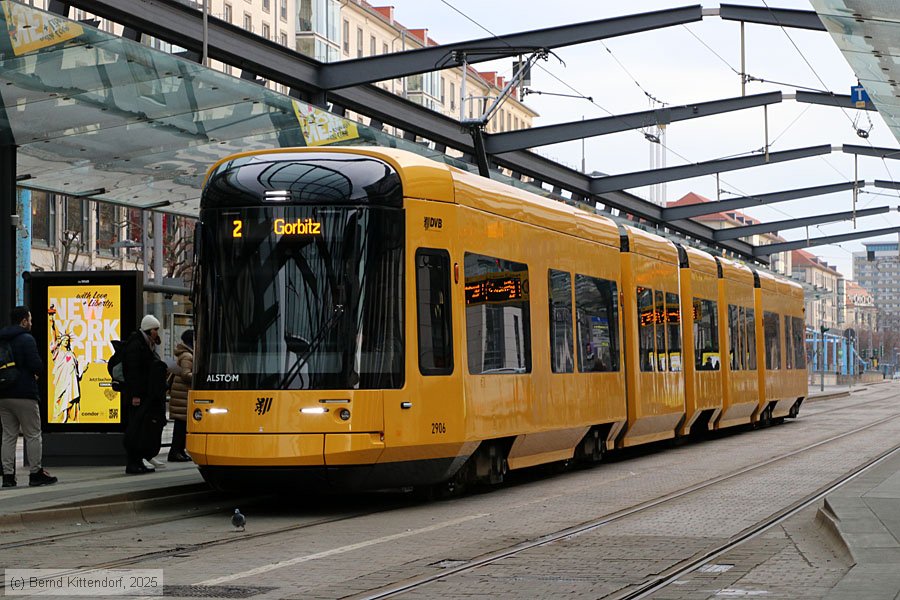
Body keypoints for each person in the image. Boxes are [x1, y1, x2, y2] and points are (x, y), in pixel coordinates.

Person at [0, 306, 57, 487]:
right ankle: (36, 473)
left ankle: (8, 477)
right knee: (33, 434)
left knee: (8, 435)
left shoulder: (2, 338)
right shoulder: (26, 339)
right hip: (24, 393)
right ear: (24, 321)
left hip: (3, 393)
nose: (31, 323)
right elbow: (37, 365)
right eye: (30, 319)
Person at [122, 314, 168, 475]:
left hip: (144, 394)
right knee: (136, 428)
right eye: (155, 329)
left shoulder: (146, 343)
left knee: (143, 428)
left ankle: (139, 459)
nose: (157, 332)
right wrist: (135, 395)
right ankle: (134, 462)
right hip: (138, 396)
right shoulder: (136, 345)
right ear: (149, 329)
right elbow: (133, 372)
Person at [167, 329, 193, 462]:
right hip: (182, 397)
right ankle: (176, 452)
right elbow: (185, 374)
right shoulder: (188, 356)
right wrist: (199, 376)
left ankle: (179, 451)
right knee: (180, 428)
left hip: (181, 395)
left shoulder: (185, 354)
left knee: (181, 427)